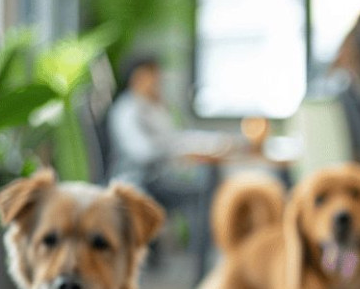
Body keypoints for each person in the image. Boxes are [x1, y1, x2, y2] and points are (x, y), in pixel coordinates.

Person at [106, 55, 256, 189]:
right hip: (142, 179)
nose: (157, 81)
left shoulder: (155, 107)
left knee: (211, 177)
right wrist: (183, 153)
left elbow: (176, 137)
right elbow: (143, 152)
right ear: (137, 77)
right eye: (152, 75)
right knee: (206, 181)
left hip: (163, 173)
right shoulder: (127, 110)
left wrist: (215, 142)